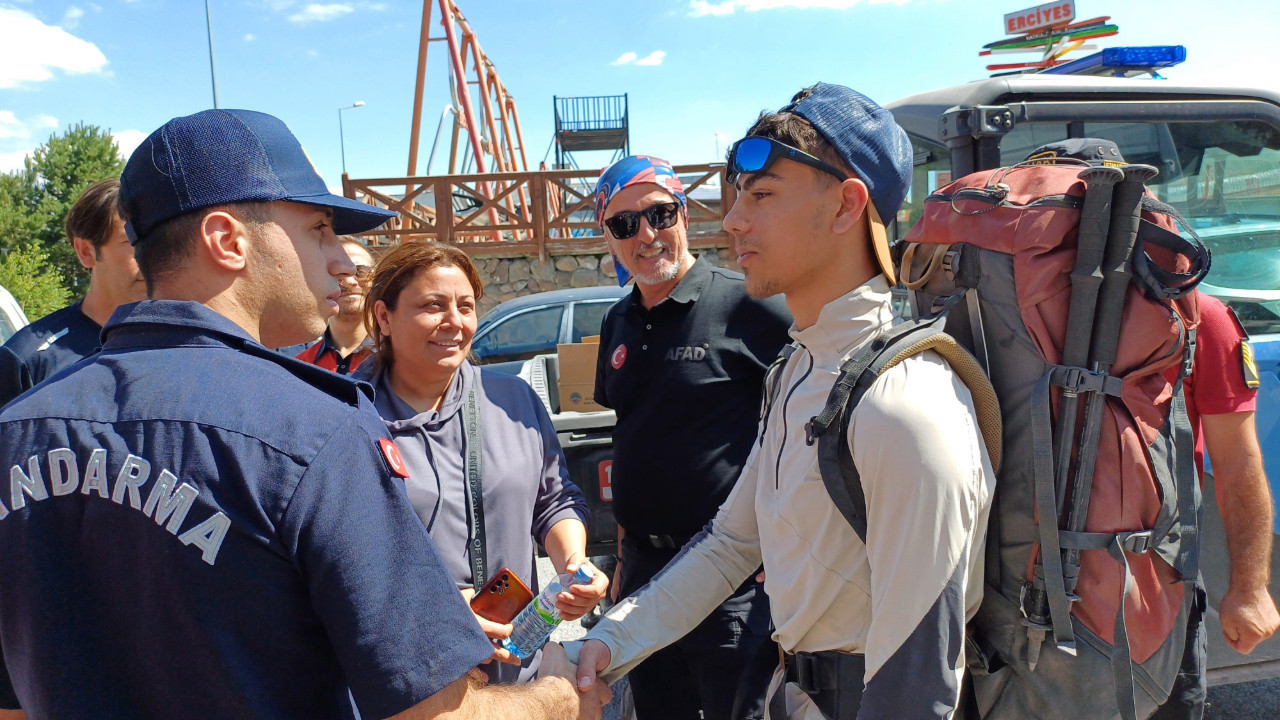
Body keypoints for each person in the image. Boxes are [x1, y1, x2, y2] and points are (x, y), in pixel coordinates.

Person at [0, 108, 609, 720]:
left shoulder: (17, 428)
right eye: (318, 230)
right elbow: (432, 714)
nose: (343, 263)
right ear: (227, 240)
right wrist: (560, 700)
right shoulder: (316, 430)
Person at [573, 83, 995, 720]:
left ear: (847, 206)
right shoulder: (799, 369)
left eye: (762, 195)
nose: (734, 220)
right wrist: (608, 642)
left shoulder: (903, 405)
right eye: (737, 197)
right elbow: (731, 544)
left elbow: (916, 685)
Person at [590, 155, 791, 720]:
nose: (647, 235)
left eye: (660, 213)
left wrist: (792, 544)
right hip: (644, 574)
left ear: (685, 213)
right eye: (625, 224)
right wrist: (625, 561)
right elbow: (630, 432)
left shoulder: (749, 303)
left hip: (732, 579)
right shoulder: (618, 320)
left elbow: (812, 424)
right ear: (609, 237)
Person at [353, 240, 606, 683]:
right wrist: (443, 610)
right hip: (411, 677)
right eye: (433, 306)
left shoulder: (515, 400)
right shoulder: (347, 415)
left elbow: (554, 501)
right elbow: (341, 555)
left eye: (466, 306)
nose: (454, 322)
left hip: (517, 667)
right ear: (383, 316)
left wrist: (574, 566)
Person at [1150, 291, 1280, 720]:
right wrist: (1249, 590)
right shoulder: (1196, 314)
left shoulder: (1002, 301)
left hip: (1020, 572)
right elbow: (1237, 462)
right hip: (1160, 579)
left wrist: (1251, 587)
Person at [0, 179, 146, 407]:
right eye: (132, 242)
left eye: (156, 242)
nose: (150, 257)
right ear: (86, 251)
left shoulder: (186, 345)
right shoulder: (29, 360)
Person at [296, 237, 377, 374]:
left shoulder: (403, 360)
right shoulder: (300, 369)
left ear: (376, 280)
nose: (350, 281)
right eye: (337, 274)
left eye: (361, 271)